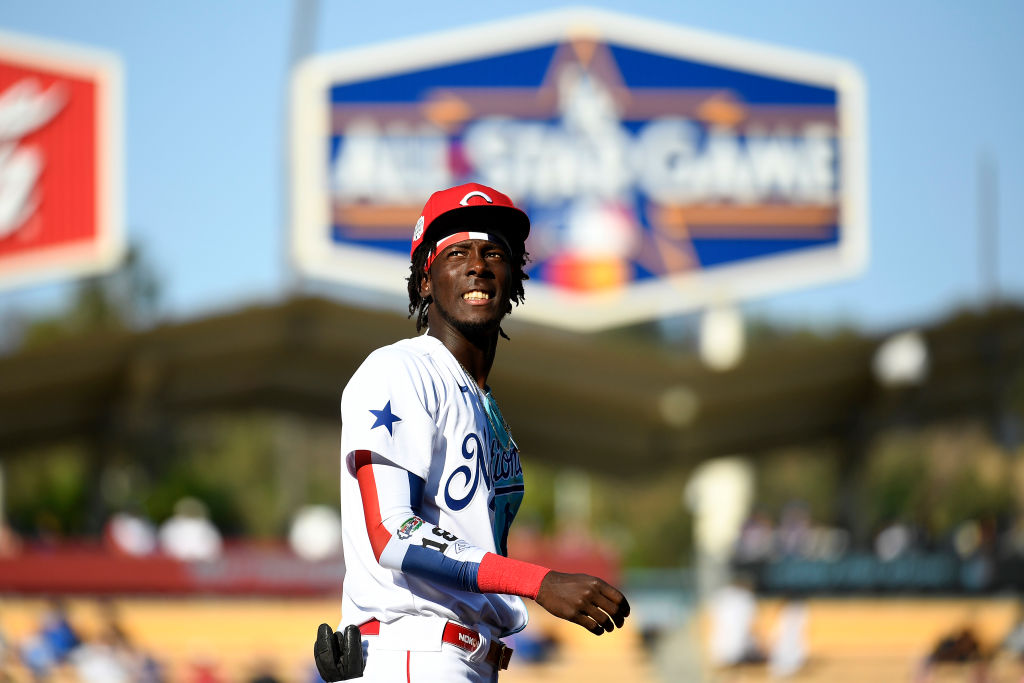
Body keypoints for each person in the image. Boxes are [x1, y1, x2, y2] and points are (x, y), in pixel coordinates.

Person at [315, 183, 630, 682]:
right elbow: (392, 535)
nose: (478, 264)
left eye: (494, 253)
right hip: (413, 652)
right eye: (456, 251)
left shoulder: (482, 403)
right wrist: (539, 581)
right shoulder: (400, 369)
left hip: (462, 659)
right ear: (425, 281)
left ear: (515, 279)